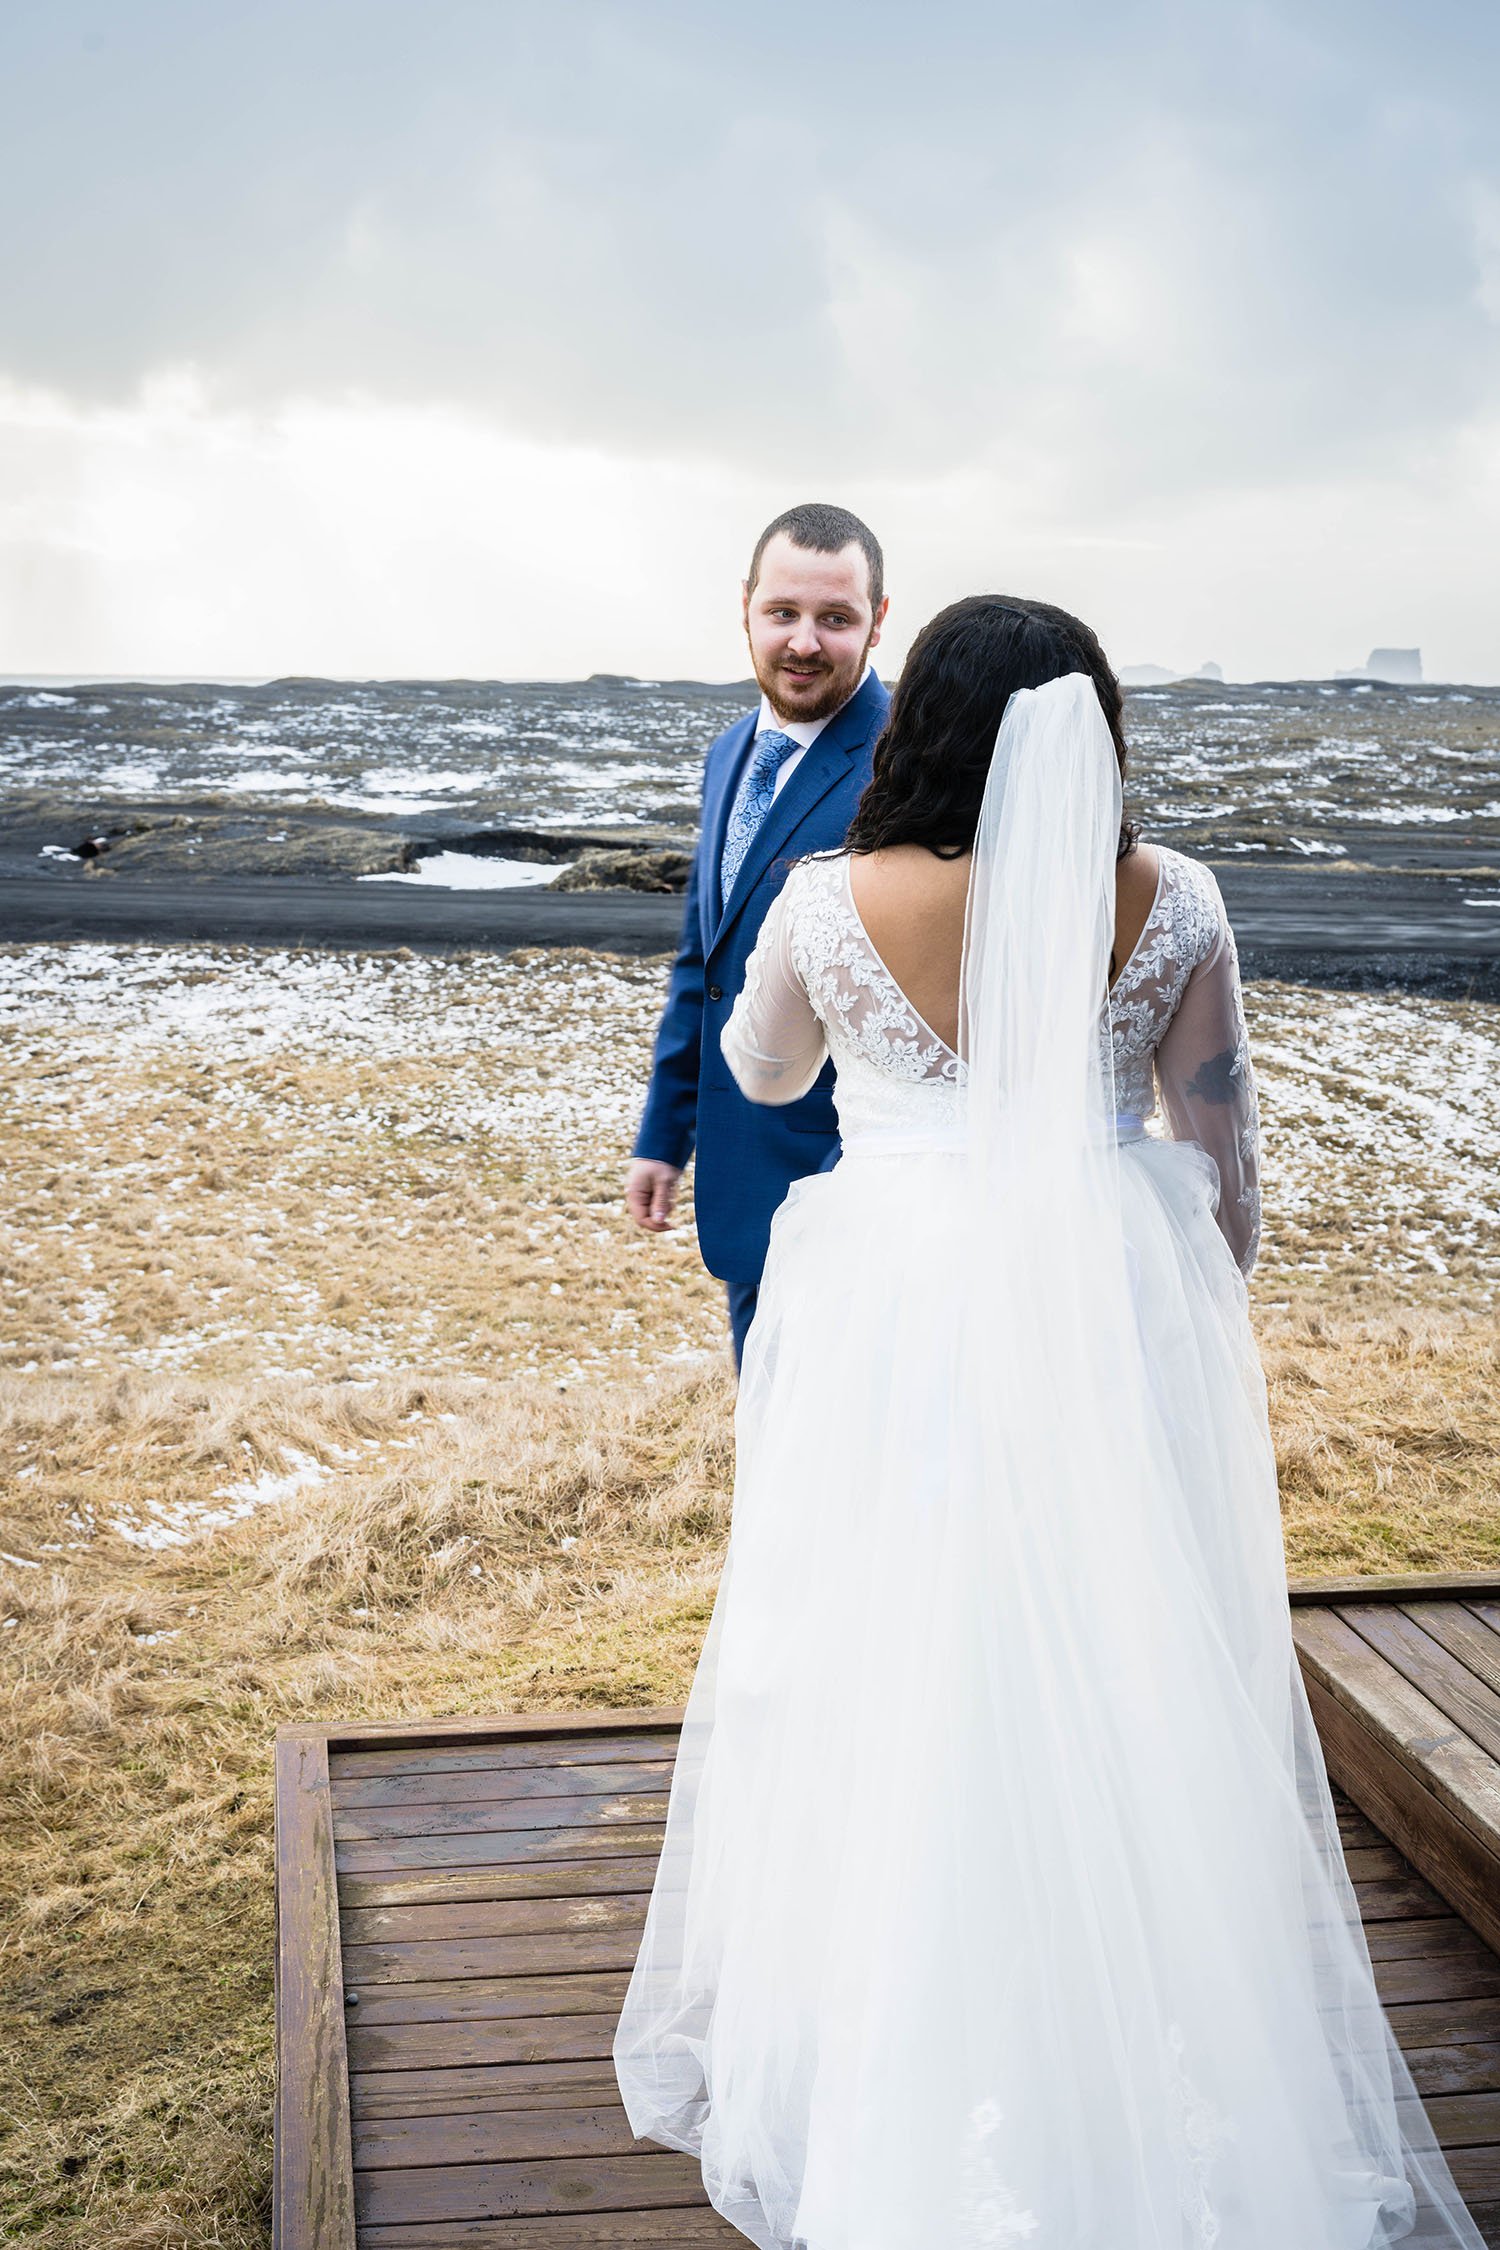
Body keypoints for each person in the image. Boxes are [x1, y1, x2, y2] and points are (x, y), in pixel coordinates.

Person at [613, 597, 1483, 2250]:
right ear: (1092, 732)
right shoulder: (1174, 899)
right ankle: (1136, 2069)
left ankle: (898, 2065)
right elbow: (1221, 1163)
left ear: (917, 722)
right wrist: (1171, 1297)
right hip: (1108, 1294)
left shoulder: (823, 904)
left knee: (892, 1651)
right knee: (1113, 1652)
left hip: (897, 1310)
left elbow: (771, 1076)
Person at [626, 502, 890, 1366]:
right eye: (783, 612)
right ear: (746, 605)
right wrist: (667, 1136)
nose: (804, 642)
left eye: (835, 618)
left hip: (857, 1185)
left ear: (878, 621)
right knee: (772, 1443)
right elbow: (704, 957)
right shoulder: (729, 753)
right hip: (742, 1174)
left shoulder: (908, 766)